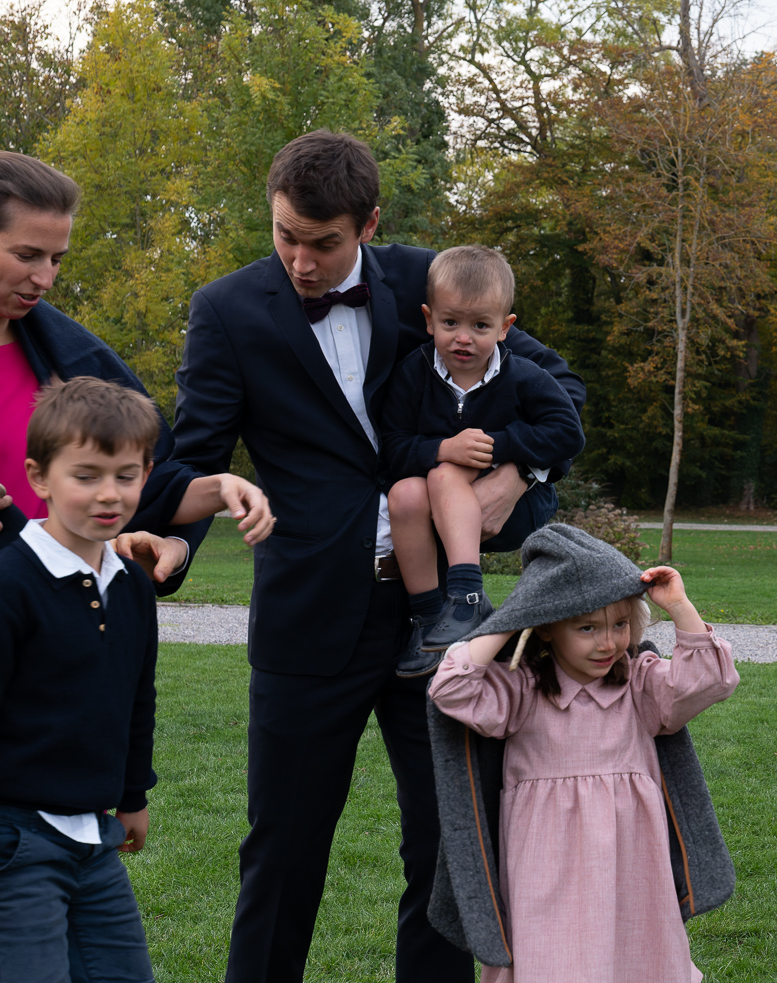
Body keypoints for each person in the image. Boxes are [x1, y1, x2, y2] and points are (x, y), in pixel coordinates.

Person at [169, 130, 584, 982]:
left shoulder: (432, 282)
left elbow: (559, 388)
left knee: (447, 852)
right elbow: (192, 456)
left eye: (324, 243)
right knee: (282, 853)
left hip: (440, 620)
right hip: (308, 612)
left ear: (370, 223)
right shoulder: (227, 309)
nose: (301, 261)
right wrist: (170, 544)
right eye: (285, 235)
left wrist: (514, 470)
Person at [427, 524, 738, 982]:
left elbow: (709, 679)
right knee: (555, 957)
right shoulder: (522, 689)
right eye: (586, 627)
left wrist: (678, 607)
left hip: (632, 859)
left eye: (619, 624)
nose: (608, 642)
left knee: (635, 951)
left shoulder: (640, 683)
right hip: (546, 863)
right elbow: (451, 688)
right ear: (548, 629)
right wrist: (513, 618)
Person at [0, 150, 270, 577]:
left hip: (57, 616)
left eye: (56, 259)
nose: (45, 280)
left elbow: (152, 477)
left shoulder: (77, 360)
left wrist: (222, 488)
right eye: (28, 255)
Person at [0, 379, 179, 980]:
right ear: (39, 477)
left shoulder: (132, 586)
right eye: (86, 475)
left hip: (94, 838)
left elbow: (137, 699)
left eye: (126, 475)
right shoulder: (11, 584)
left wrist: (132, 796)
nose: (109, 494)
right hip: (14, 839)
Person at [384, 245, 585, 676]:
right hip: (433, 512)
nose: (463, 337)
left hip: (514, 508)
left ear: (505, 328)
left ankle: (467, 597)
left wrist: (498, 447)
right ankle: (427, 620)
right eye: (450, 322)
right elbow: (390, 445)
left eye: (480, 325)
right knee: (404, 492)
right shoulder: (413, 373)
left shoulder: (523, 375)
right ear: (428, 319)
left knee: (444, 476)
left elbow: (568, 433)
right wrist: (440, 449)